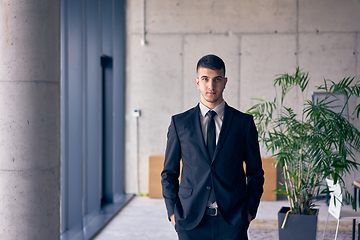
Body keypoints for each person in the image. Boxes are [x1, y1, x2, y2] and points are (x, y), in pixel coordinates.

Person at [161, 54, 264, 240]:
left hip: (232, 221)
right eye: (205, 79)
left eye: (217, 79)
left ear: (225, 82)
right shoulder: (180, 123)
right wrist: (173, 215)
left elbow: (256, 172)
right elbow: (169, 173)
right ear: (197, 82)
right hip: (190, 220)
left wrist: (248, 213)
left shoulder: (244, 123)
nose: (211, 85)